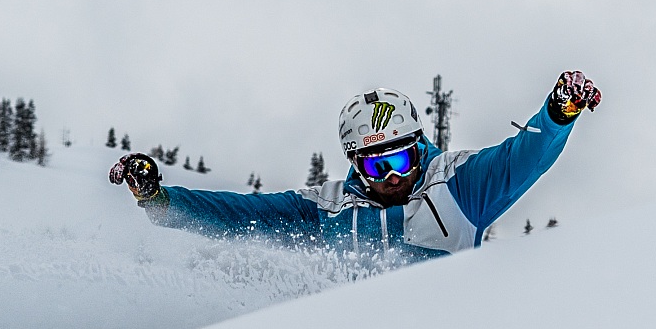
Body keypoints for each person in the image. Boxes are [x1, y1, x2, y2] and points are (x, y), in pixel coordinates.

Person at [109, 71, 601, 260]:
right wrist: (160, 199)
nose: (393, 176)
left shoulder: (460, 186)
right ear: (356, 166)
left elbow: (523, 159)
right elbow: (239, 215)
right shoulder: (326, 210)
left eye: (403, 157)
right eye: (377, 165)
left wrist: (558, 112)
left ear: (421, 146)